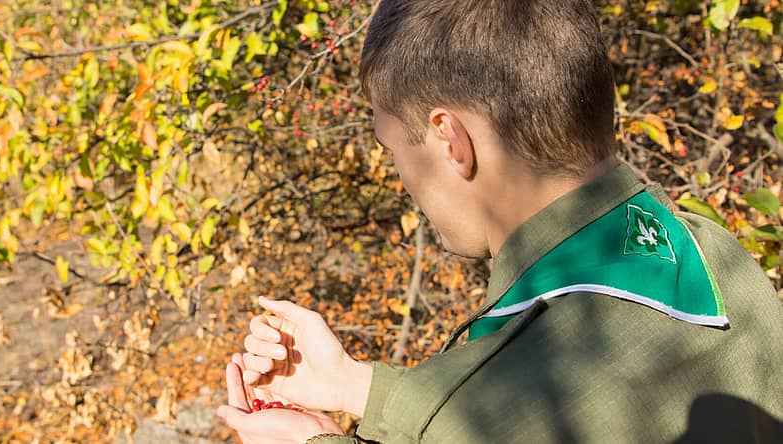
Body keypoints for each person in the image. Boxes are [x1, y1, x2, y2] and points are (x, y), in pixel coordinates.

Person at [216, 0, 783, 442]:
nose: (400, 177)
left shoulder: (495, 409)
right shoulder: (719, 260)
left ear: (450, 139)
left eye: (392, 147)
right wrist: (350, 384)